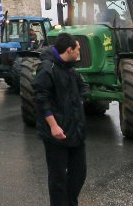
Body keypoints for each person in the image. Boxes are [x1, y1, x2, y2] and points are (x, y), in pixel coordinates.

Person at [33, 32, 89, 206]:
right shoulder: (47, 69)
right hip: (56, 134)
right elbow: (41, 99)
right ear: (69, 50)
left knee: (79, 172)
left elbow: (83, 86)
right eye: (78, 49)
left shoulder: (70, 67)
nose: (80, 52)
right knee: (58, 178)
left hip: (75, 130)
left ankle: (70, 202)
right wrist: (53, 126)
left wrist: (81, 99)